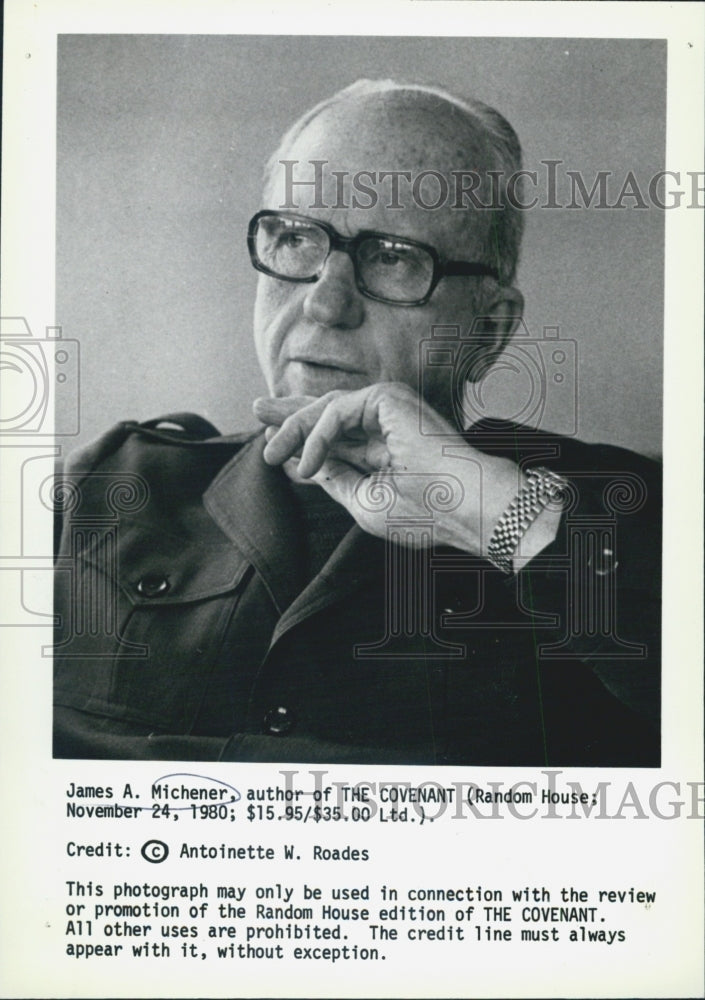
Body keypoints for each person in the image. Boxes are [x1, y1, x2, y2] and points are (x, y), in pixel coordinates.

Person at [53, 79, 660, 765]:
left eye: (393, 258)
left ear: (486, 331)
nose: (324, 303)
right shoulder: (107, 485)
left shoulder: (623, 517)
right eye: (294, 239)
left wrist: (497, 514)